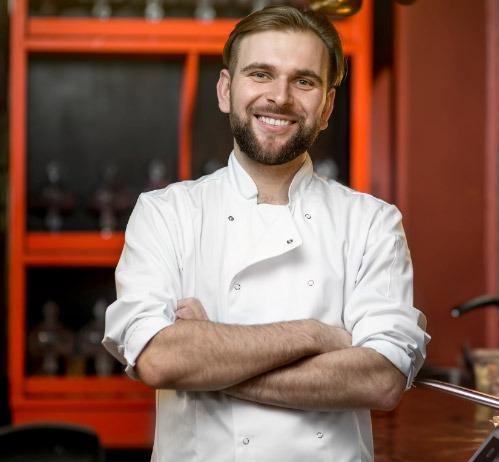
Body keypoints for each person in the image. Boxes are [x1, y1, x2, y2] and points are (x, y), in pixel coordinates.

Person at [102, 5, 429, 461]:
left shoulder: (372, 222)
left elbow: (380, 380)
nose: (280, 97)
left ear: (328, 105)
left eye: (304, 81)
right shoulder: (165, 213)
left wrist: (209, 357)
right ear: (225, 89)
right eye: (260, 74)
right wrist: (316, 335)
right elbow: (159, 358)